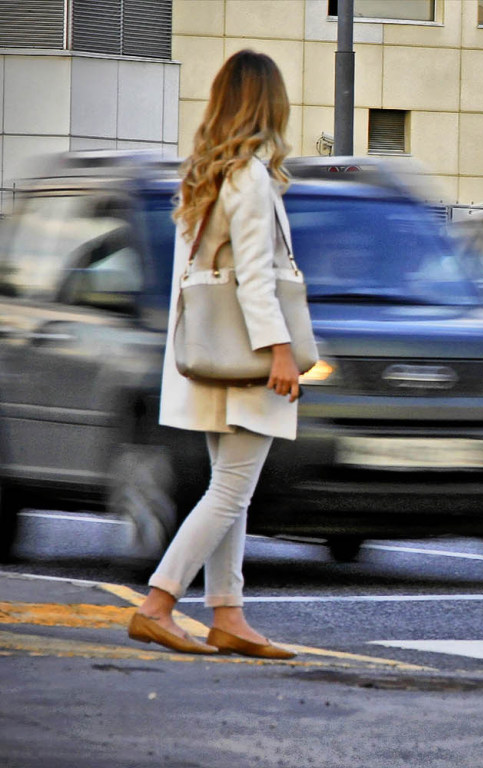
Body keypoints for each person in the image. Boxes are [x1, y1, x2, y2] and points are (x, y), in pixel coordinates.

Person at [127, 50, 301, 659]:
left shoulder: (206, 171)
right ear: (268, 103)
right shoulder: (249, 177)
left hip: (212, 353)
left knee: (229, 489)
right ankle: (158, 603)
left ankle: (228, 612)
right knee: (231, 489)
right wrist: (281, 350)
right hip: (248, 355)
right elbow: (255, 278)